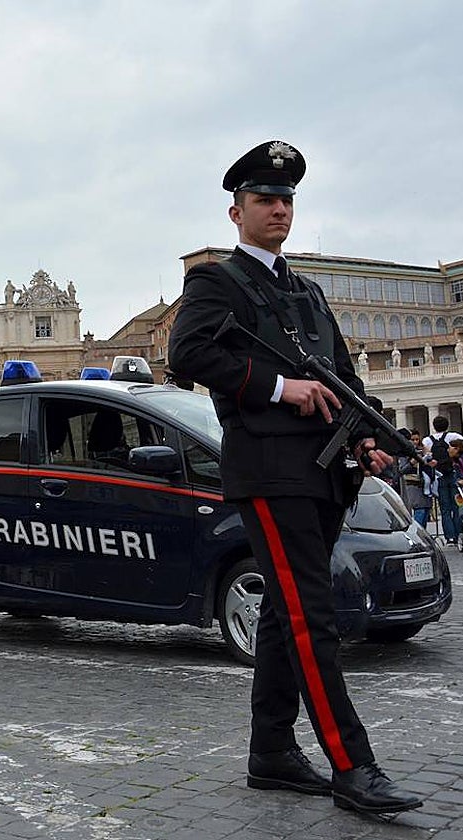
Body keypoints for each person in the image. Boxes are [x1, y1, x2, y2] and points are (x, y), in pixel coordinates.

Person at [167, 140, 421, 815]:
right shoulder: (216, 283)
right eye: (264, 200)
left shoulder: (304, 290)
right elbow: (187, 352)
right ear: (236, 211)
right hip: (272, 471)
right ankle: (353, 765)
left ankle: (273, 752)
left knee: (283, 616)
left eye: (286, 200)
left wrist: (368, 438)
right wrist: (281, 387)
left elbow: (342, 371)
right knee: (313, 619)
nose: (278, 209)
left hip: (326, 471)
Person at [422, 415, 463, 545]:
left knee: (445, 508)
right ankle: (459, 533)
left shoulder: (427, 440)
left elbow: (425, 456)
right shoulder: (452, 437)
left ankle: (449, 537)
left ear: (434, 426)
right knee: (458, 505)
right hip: (454, 476)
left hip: (438, 476)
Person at [397, 429, 434, 526]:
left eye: (417, 439)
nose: (415, 442)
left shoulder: (422, 450)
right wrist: (412, 462)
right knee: (419, 512)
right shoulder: (404, 454)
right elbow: (401, 470)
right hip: (412, 484)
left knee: (425, 511)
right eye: (412, 440)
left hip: (424, 484)